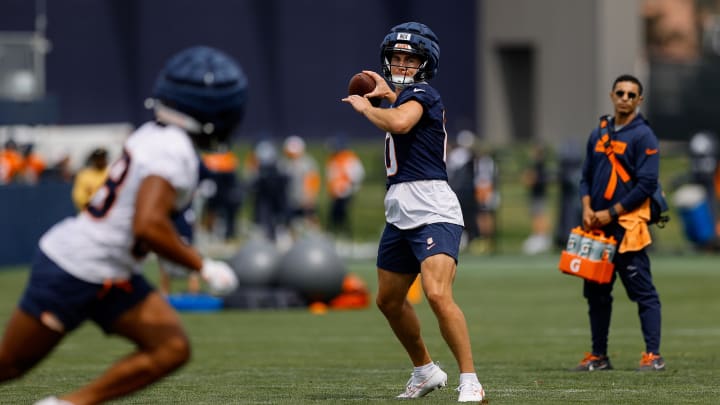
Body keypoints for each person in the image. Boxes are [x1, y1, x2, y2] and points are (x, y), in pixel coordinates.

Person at [0, 46, 244, 405]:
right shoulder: (172, 149)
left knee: (171, 348)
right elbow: (147, 225)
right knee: (9, 365)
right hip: (74, 268)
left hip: (113, 271)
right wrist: (203, 266)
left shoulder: (155, 134)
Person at [342, 22, 485, 402]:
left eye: (410, 58)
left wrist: (365, 107)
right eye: (397, 57)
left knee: (437, 295)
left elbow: (401, 121)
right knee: (388, 300)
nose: (402, 63)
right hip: (400, 210)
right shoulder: (404, 96)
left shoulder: (423, 93)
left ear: (425, 64)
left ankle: (470, 380)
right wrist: (388, 94)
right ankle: (425, 370)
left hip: (432, 207)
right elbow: (399, 111)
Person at [573, 74, 665, 372]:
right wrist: (587, 207)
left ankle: (653, 355)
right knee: (596, 293)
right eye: (620, 93)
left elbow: (647, 184)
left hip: (627, 227)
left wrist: (610, 213)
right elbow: (585, 176)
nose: (625, 98)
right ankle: (598, 356)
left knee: (643, 292)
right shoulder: (598, 133)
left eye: (631, 94)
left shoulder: (644, 136)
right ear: (612, 96)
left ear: (639, 100)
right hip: (596, 227)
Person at [325, 135, 365, 240]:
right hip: (335, 192)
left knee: (342, 213)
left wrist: (350, 188)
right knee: (334, 213)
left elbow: (357, 175)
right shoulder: (333, 159)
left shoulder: (349, 158)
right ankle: (335, 232)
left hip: (345, 192)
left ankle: (345, 233)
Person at [278, 134, 321, 232]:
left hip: (304, 198)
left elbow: (313, 180)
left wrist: (310, 195)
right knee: (288, 221)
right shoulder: (284, 163)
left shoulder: (307, 163)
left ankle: (315, 235)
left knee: (310, 219)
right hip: (289, 198)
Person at [521, 144, 552, 255]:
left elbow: (530, 180)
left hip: (539, 195)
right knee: (537, 214)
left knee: (539, 215)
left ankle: (541, 237)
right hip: (537, 195)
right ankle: (539, 237)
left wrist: (528, 178)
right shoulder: (538, 165)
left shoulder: (539, 166)